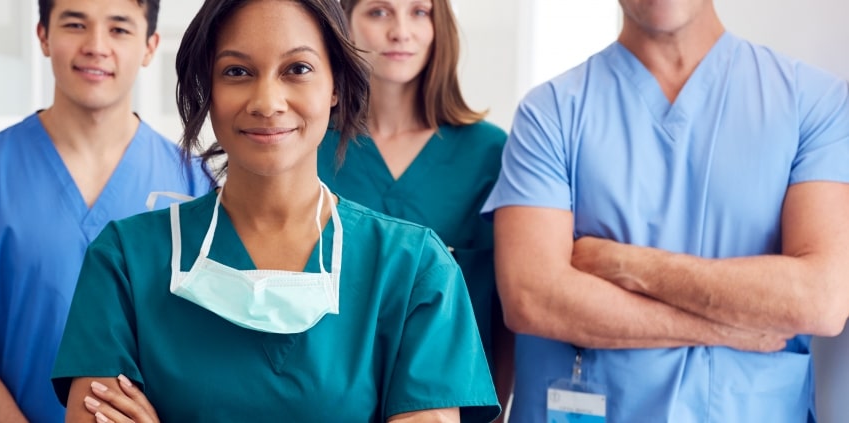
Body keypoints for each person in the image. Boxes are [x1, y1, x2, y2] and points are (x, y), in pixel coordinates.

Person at [51, 0, 500, 422]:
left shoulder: (415, 268)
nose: (267, 102)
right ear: (207, 88)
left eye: (298, 69)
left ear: (336, 87)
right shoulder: (125, 261)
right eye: (237, 71)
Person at [481, 0, 849, 421]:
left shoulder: (812, 103)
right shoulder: (549, 113)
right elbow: (533, 298)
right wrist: (727, 326)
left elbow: (822, 299)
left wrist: (625, 264)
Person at [0, 0, 212, 421]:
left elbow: (205, 355)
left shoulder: (194, 186)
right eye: (75, 24)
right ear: (43, 37)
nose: (96, 46)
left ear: (149, 46)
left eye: (119, 29)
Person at [318, 0, 513, 412]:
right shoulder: (311, 150)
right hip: (330, 402)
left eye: (419, 12)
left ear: (439, 26)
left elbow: (505, 312)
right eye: (378, 12)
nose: (401, 31)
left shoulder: (491, 154)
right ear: (344, 26)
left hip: (452, 402)